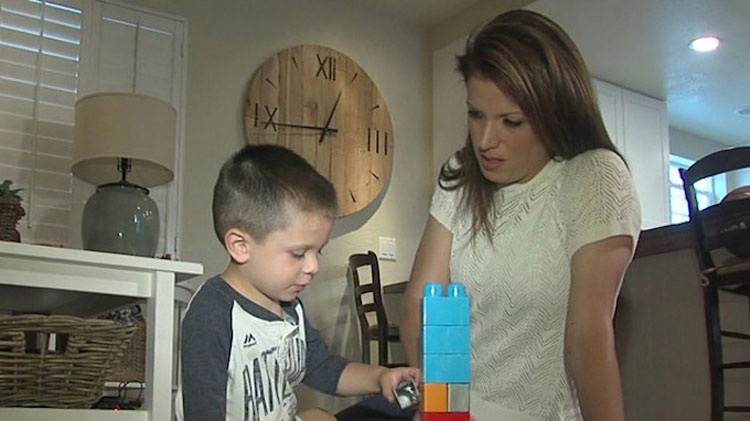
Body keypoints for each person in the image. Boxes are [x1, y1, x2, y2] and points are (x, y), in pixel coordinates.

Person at [400, 9, 641, 421]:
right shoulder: (459, 175)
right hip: (452, 411)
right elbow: (422, 303)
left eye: (511, 122)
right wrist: (439, 408)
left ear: (555, 114)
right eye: (476, 115)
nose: (486, 140)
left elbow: (587, 337)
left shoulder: (593, 176)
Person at [177, 144, 419, 421]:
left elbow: (323, 368)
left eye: (319, 250)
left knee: (393, 407)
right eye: (298, 253)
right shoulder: (211, 314)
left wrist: (381, 377)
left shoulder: (291, 308)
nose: (313, 266)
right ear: (240, 245)